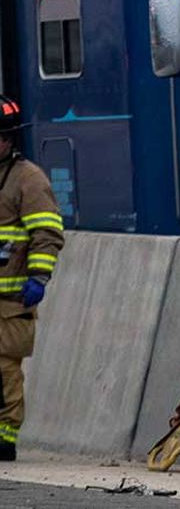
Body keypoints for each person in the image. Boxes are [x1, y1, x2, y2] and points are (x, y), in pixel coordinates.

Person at [0, 95, 64, 460]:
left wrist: (39, 276)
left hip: (12, 300)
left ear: (8, 140)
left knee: (4, 371)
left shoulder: (28, 180)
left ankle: (5, 439)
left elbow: (46, 232)